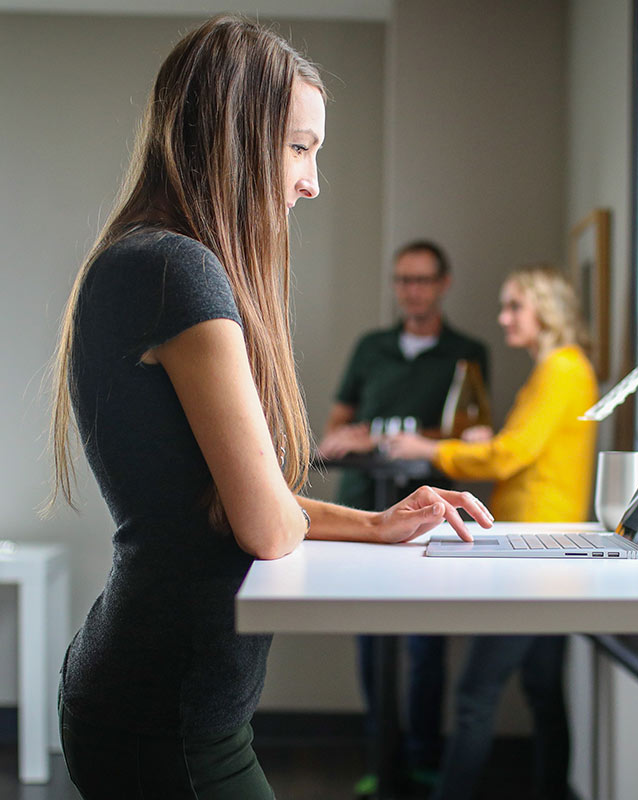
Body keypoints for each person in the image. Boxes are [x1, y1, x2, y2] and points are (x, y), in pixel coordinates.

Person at [46, 16, 492, 800]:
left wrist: (380, 523)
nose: (312, 180)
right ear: (231, 136)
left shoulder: (154, 259)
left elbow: (230, 503)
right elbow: (263, 520)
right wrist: (290, 513)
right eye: (299, 146)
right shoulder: (174, 272)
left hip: (163, 701)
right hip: (166, 719)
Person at [387, 265, 598, 800]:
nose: (503, 317)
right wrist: (490, 437)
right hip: (549, 546)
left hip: (536, 551)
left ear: (544, 311)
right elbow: (527, 446)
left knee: (476, 692)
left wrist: (429, 449)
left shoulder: (562, 370)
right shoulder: (558, 369)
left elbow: (510, 455)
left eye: (514, 307)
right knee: (543, 689)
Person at [317, 240, 488, 795]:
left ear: (442, 283)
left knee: (424, 642)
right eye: (403, 281)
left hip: (432, 516)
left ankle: (423, 760)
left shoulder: (468, 352)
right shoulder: (371, 348)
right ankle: (380, 759)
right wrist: (349, 436)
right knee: (372, 642)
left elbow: (473, 434)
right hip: (365, 509)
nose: (411, 291)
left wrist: (396, 436)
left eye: (421, 280)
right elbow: (337, 429)